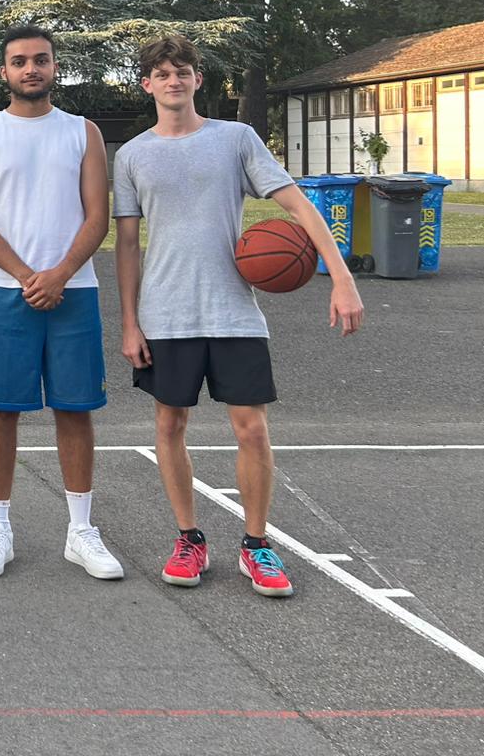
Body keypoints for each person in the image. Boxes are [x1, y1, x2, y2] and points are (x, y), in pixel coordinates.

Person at [115, 33, 364, 597]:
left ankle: (256, 544)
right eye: (162, 73)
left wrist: (341, 278)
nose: (174, 80)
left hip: (233, 310)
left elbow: (298, 205)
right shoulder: (131, 155)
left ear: (198, 80)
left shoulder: (235, 139)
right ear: (147, 84)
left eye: (183, 71)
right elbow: (126, 245)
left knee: (251, 428)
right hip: (166, 313)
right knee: (169, 426)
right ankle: (189, 538)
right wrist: (129, 322)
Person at [0, 25, 123, 582]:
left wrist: (60, 273)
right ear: (3, 71)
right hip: (2, 290)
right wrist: (30, 276)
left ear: (55, 66)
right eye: (19, 61)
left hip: (73, 290)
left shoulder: (83, 132)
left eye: (40, 59)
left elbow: (97, 215)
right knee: (0, 409)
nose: (31, 68)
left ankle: (81, 530)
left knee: (75, 408)